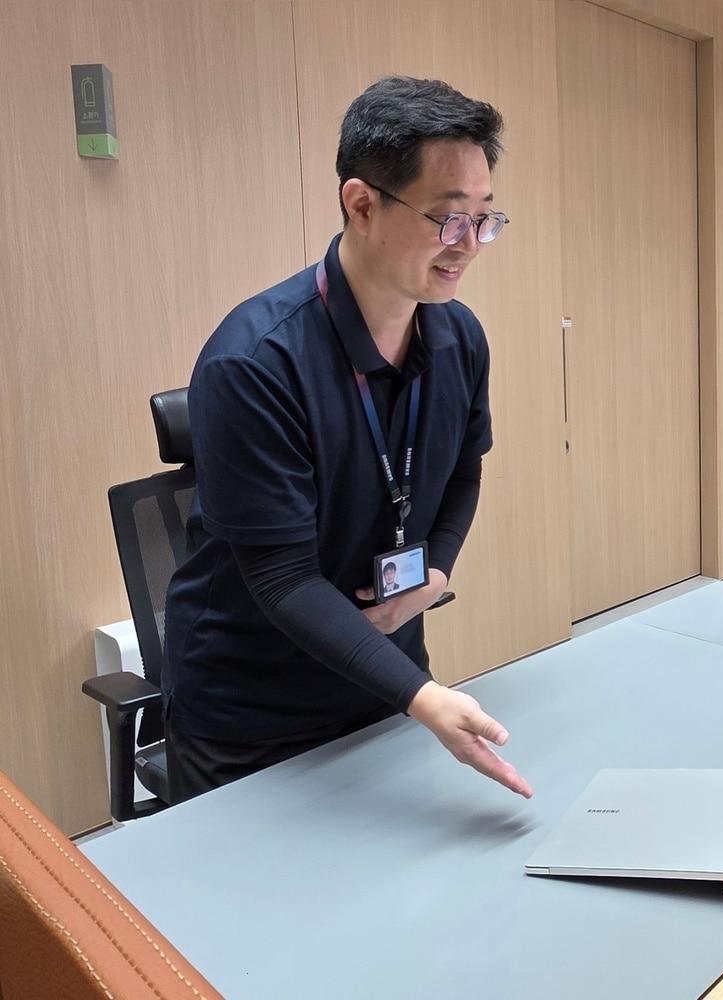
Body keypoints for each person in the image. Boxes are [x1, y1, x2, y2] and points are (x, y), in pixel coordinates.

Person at [161, 76, 531, 803]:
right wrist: (425, 699)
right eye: (448, 219)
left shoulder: (457, 336)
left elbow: (462, 471)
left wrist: (436, 574)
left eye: (485, 219)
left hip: (378, 685)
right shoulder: (256, 362)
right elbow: (282, 579)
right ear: (361, 203)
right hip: (253, 716)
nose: (470, 246)